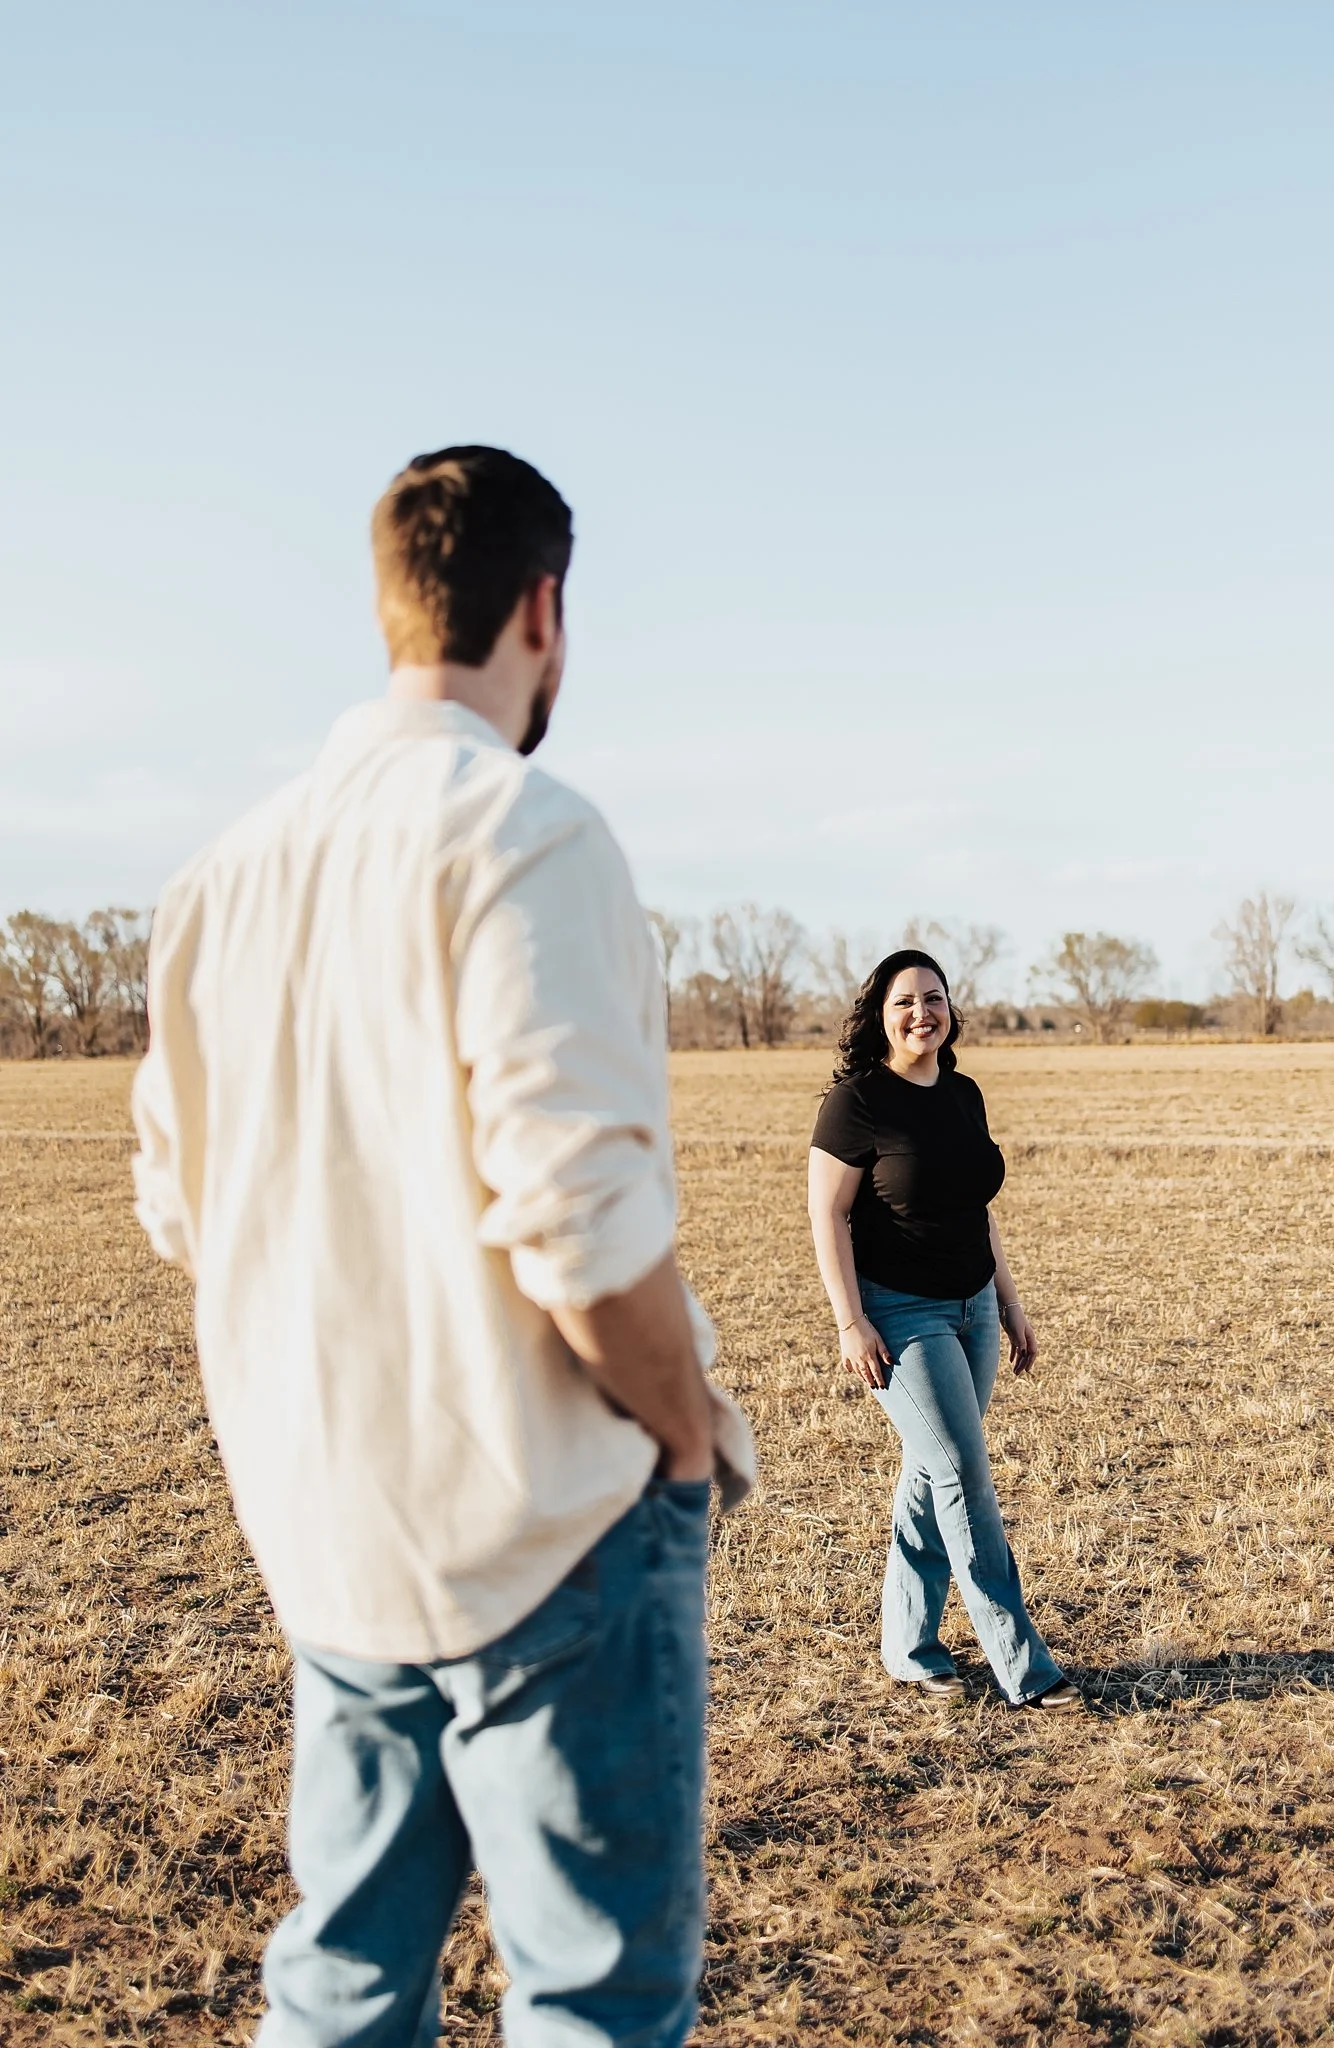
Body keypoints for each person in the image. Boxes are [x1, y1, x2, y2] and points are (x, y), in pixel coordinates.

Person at [131, 444, 756, 2048]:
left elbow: (175, 1204)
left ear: (389, 603)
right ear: (544, 610)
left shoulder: (219, 882)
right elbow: (579, 1216)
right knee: (591, 2000)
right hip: (546, 1524)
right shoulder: (527, 834)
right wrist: (684, 1436)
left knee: (341, 1988)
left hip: (332, 1532)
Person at [807, 949, 1078, 1711]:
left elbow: (975, 1207)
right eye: (904, 1002)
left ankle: (907, 1645)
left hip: (971, 1309)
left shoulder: (962, 1094)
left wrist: (1009, 1301)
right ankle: (1022, 1666)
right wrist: (849, 1321)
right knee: (962, 1473)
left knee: (934, 1475)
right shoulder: (857, 1103)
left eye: (933, 997)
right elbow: (826, 1214)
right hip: (898, 1314)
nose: (921, 1012)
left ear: (949, 1008)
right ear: (879, 1016)